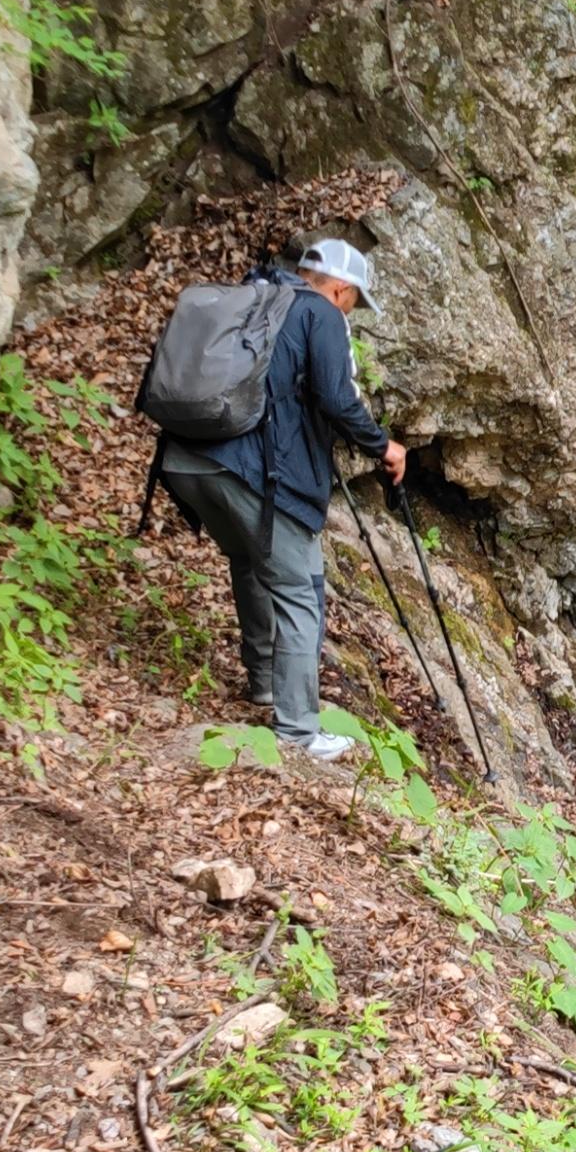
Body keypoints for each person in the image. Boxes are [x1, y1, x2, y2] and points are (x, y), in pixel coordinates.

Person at [155, 237, 407, 763]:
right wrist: (385, 446)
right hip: (254, 472)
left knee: (249, 562)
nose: (352, 309)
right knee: (300, 590)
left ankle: (266, 685)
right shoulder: (321, 315)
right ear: (340, 289)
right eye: (354, 299)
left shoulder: (255, 298)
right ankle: (298, 731)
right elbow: (337, 398)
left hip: (188, 460)